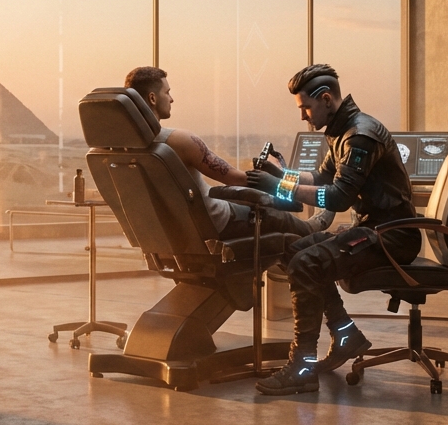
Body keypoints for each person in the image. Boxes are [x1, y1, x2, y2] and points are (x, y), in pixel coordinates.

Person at [245, 64, 420, 395]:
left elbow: (338, 197)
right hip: (374, 230)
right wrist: (280, 176)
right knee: (294, 251)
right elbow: (322, 178)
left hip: (393, 236)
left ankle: (302, 368)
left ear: (326, 99)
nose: (303, 116)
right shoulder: (341, 131)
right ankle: (345, 335)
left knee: (306, 264)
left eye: (306, 107)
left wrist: (279, 187)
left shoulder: (360, 136)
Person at [123, 66, 321, 240]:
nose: (171, 98)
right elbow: (236, 178)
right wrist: (277, 176)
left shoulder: (121, 149)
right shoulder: (180, 140)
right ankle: (310, 229)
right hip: (213, 223)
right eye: (167, 92)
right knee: (276, 217)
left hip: (169, 231)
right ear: (152, 98)